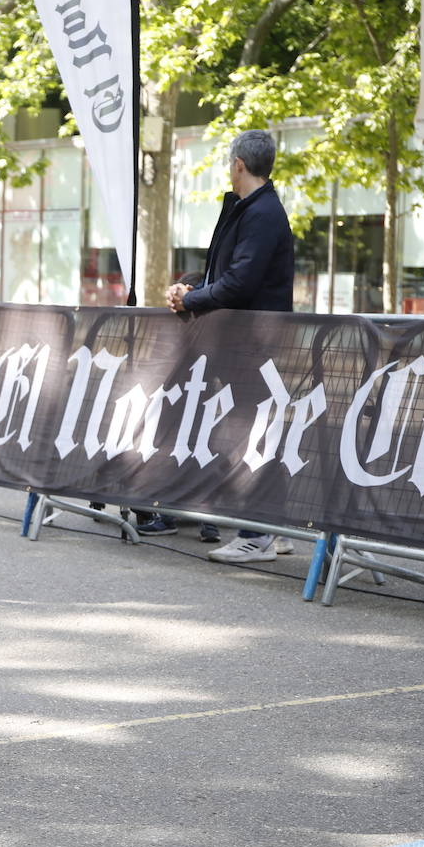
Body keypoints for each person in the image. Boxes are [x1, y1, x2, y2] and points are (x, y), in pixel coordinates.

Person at [165, 129, 295, 562]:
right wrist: (190, 289)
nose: (227, 168)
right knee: (253, 431)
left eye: (228, 162)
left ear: (239, 164)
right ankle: (271, 529)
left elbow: (240, 282)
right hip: (247, 340)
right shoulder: (250, 210)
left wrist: (193, 298)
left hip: (254, 342)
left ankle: (257, 535)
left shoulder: (260, 214)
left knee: (249, 433)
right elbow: (225, 272)